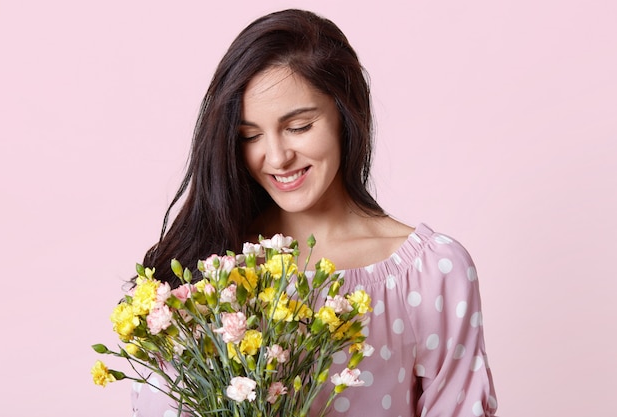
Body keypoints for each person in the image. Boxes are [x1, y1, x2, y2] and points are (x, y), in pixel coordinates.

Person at [131, 8, 498, 417]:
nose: (276, 156)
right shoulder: (209, 271)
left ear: (347, 115)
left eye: (299, 127)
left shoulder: (432, 273)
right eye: (250, 136)